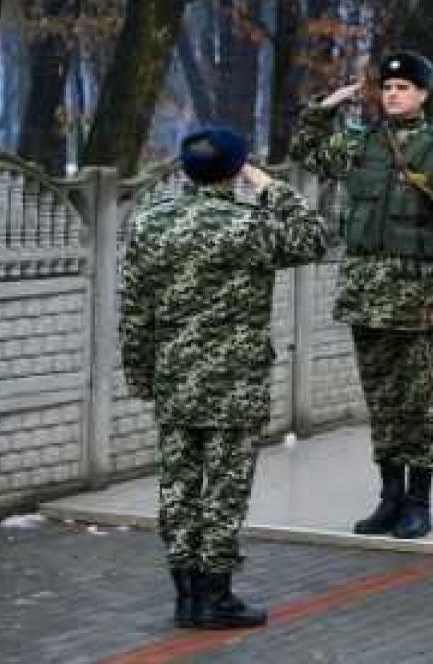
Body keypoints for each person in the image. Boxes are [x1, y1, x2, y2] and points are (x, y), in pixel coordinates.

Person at [120, 126, 327, 629]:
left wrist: (142, 375)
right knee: (225, 489)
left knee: (178, 486)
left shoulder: (151, 224)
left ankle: (185, 596)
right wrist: (266, 183)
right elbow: (315, 236)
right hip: (234, 382)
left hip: (174, 377)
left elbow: (133, 310)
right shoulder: (248, 226)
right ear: (235, 169)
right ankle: (217, 596)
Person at [290, 50, 433, 539]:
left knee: (416, 401)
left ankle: (419, 501)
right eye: (387, 88)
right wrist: (325, 107)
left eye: (403, 88)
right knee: (382, 401)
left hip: (418, 299)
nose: (393, 95)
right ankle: (389, 497)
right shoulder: (360, 143)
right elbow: (306, 153)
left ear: (423, 94)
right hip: (365, 295)